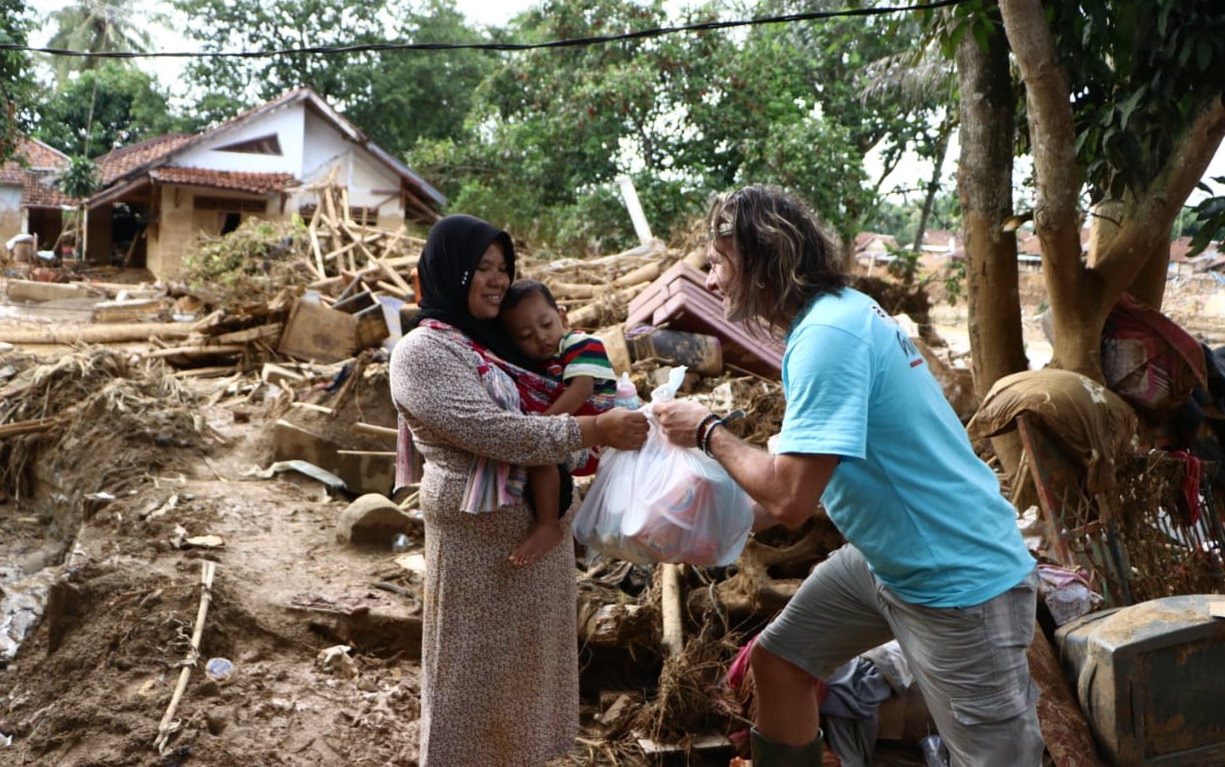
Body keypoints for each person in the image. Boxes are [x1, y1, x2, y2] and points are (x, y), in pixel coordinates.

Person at [654, 185, 1043, 767]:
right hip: (887, 561)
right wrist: (691, 522)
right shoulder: (829, 320)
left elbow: (788, 498)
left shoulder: (827, 338)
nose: (710, 282)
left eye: (717, 264)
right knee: (779, 662)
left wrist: (709, 431)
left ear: (762, 258)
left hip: (956, 582)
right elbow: (794, 480)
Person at [389, 214, 649, 766]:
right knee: (471, 682)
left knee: (531, 683)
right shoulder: (423, 353)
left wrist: (599, 441)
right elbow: (499, 432)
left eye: (503, 268)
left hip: (541, 550)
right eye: (481, 267)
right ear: (450, 271)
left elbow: (551, 427)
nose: (497, 279)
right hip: (480, 554)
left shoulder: (500, 344)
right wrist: (595, 430)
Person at [499, 279, 618, 566]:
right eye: (526, 336)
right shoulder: (537, 365)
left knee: (541, 451)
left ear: (562, 316)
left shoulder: (581, 343)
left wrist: (541, 427)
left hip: (598, 436)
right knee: (541, 454)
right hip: (574, 436)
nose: (540, 337)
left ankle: (547, 525)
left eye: (546, 325)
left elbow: (581, 389)